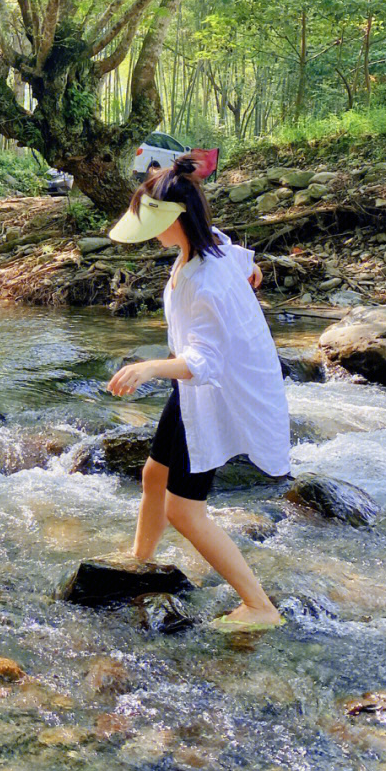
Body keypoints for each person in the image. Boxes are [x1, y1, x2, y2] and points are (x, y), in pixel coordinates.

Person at [106, 156, 289, 631]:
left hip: (206, 393)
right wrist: (256, 272)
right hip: (187, 390)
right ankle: (140, 560)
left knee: (184, 510)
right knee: (153, 476)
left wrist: (146, 368)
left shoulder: (204, 281)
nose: (150, 235)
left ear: (175, 221)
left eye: (153, 225)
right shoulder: (212, 249)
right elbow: (241, 256)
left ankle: (259, 606)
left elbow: (203, 364)